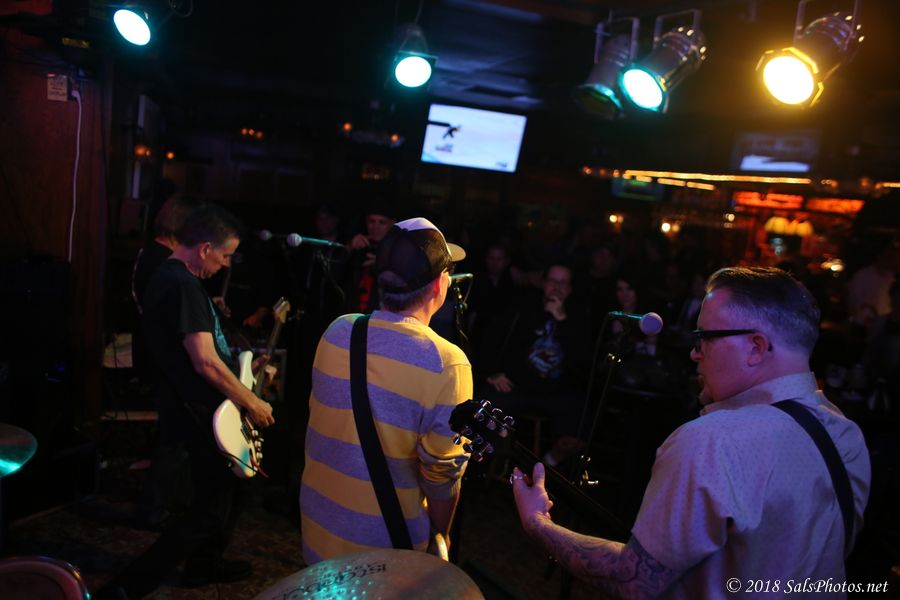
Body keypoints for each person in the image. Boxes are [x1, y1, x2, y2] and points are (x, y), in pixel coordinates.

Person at [511, 266, 871, 599]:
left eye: (704, 338)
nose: (695, 354)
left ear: (756, 347)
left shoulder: (712, 440)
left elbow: (633, 580)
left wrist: (537, 523)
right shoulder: (846, 436)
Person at [99, 204, 275, 599]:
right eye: (225, 255)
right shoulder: (180, 284)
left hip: (196, 407)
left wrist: (244, 369)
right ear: (205, 248)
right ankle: (125, 589)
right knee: (208, 509)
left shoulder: (175, 280)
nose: (226, 265)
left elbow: (208, 354)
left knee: (228, 493)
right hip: (196, 410)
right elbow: (204, 362)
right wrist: (251, 400)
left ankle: (203, 565)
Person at [300, 217, 471, 564]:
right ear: (439, 285)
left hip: (317, 533)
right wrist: (442, 535)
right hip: (381, 560)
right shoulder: (446, 363)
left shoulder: (338, 331)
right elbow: (441, 478)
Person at [477, 263, 590, 467]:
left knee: (581, 424)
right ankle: (499, 467)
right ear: (544, 283)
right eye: (553, 281)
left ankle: (547, 464)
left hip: (558, 392)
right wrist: (491, 372)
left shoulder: (579, 316)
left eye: (563, 283)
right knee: (485, 408)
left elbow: (584, 362)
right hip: (516, 386)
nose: (557, 287)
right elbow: (491, 336)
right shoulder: (522, 307)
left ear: (570, 289)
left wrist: (562, 320)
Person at [344, 202, 397, 313]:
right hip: (353, 313)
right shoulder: (360, 245)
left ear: (392, 224)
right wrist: (349, 248)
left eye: (382, 222)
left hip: (383, 315)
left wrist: (382, 264)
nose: (375, 227)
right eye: (371, 221)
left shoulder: (399, 250)